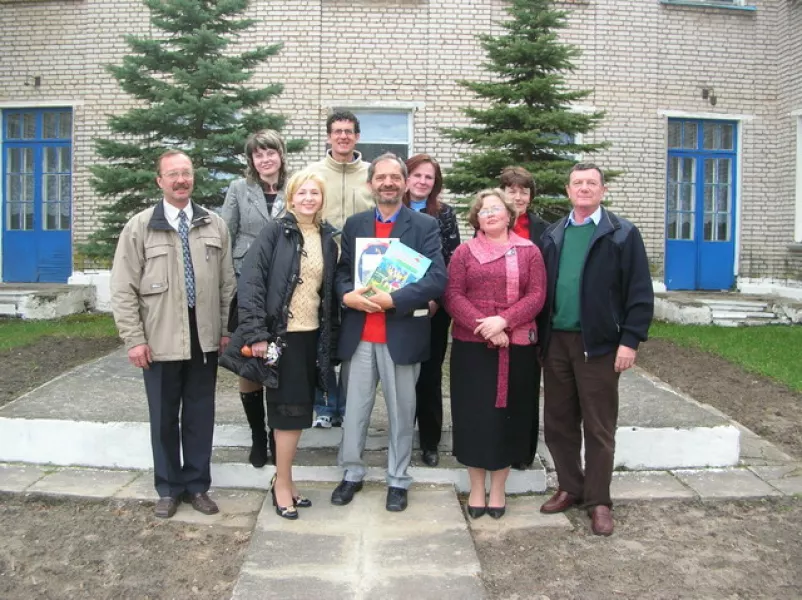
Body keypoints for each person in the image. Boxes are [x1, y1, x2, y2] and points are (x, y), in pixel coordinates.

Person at [111, 150, 236, 519]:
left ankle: (197, 487)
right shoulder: (140, 226)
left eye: (187, 173)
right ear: (160, 181)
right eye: (173, 174)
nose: (181, 180)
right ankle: (168, 488)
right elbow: (122, 288)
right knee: (164, 417)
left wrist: (226, 330)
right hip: (160, 342)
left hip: (204, 340)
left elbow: (228, 285)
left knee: (199, 416)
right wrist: (134, 339)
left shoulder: (214, 224)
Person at [537, 163, 654, 536]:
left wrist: (630, 339)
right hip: (556, 341)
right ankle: (571, 486)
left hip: (599, 346)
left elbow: (639, 290)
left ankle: (599, 500)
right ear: (568, 191)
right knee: (558, 422)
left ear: (602, 190)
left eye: (591, 183)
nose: (584, 188)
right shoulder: (554, 234)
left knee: (599, 426)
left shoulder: (621, 234)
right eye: (577, 183)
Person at [331, 153, 447, 512]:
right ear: (371, 184)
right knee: (355, 411)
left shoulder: (425, 226)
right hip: (360, 335)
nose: (388, 183)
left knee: (401, 413)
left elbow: (436, 279)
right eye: (381, 178)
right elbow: (342, 272)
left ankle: (398, 479)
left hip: (401, 334)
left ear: (405, 182)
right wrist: (345, 293)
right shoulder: (355, 224)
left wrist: (392, 299)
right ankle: (351, 473)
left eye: (395, 177)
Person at [220, 170, 339, 520]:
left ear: (321, 199)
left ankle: (285, 478)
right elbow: (252, 282)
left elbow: (327, 292)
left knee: (298, 411)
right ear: (290, 197)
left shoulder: (327, 236)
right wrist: (257, 334)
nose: (308, 199)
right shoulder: (276, 231)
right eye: (301, 192)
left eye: (314, 193)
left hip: (310, 336)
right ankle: (282, 484)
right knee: (286, 412)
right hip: (279, 337)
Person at [444, 189, 546, 520]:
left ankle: (499, 489)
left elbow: (537, 294)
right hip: (473, 347)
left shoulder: (529, 252)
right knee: (475, 417)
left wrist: (504, 320)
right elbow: (453, 295)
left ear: (508, 215)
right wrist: (486, 326)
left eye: (496, 209)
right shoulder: (463, 252)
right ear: (476, 218)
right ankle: (476, 487)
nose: (489, 214)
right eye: (483, 210)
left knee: (508, 418)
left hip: (516, 347)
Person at [221, 129, 288, 469]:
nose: (265, 159)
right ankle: (257, 436)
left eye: (270, 152)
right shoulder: (238, 189)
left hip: (284, 285)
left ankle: (278, 435)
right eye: (258, 154)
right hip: (246, 282)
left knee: (277, 358)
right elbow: (224, 233)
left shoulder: (296, 187)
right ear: (251, 160)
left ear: (281, 154)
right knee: (249, 359)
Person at [307, 110, 374, 429]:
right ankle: (325, 405)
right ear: (328, 136)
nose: (343, 136)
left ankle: (348, 407)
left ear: (358, 136)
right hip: (321, 270)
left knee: (353, 343)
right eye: (337, 131)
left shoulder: (372, 174)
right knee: (320, 339)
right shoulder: (314, 173)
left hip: (362, 273)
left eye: (349, 131)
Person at [402, 153, 461, 467]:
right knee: (400, 374)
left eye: (429, 177)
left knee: (429, 375)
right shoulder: (393, 211)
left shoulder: (445, 214)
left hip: (434, 308)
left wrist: (436, 298)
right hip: (397, 305)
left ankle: (429, 442)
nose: (423, 181)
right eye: (418, 175)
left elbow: (452, 259)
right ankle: (400, 439)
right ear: (406, 177)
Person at [499, 166, 550, 470]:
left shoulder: (546, 230)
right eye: (511, 190)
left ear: (531, 196)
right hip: (495, 325)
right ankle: (498, 444)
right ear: (502, 192)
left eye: (524, 191)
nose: (518, 196)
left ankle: (522, 453)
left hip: (531, 322)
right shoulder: (489, 223)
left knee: (526, 388)